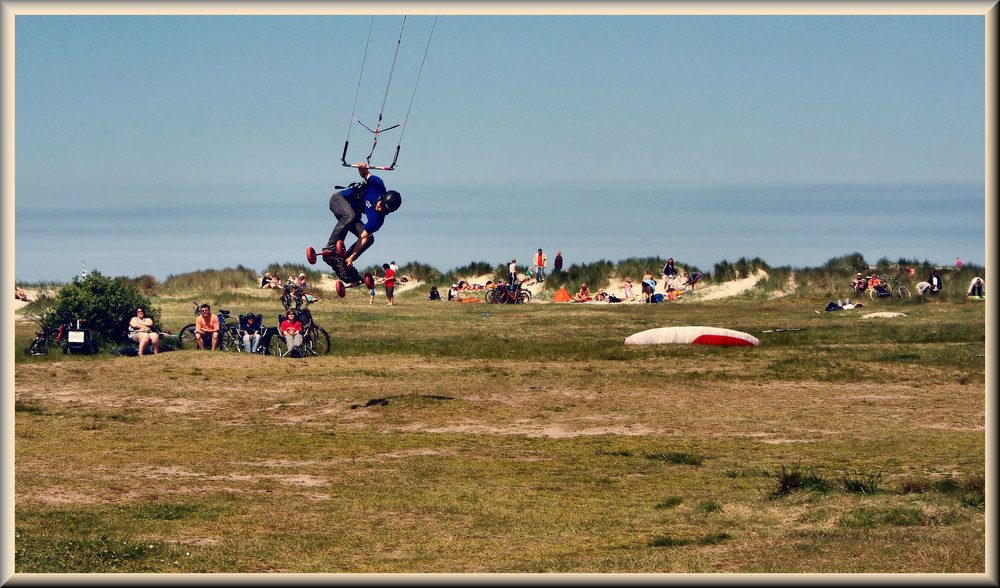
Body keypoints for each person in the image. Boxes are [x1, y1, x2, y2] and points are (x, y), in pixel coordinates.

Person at [323, 162, 402, 271]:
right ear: (381, 197)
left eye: (384, 210)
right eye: (380, 205)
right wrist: (362, 168)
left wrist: (351, 257)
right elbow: (365, 173)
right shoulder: (377, 185)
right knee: (349, 216)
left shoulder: (377, 221)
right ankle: (330, 248)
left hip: (353, 215)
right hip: (339, 200)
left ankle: (343, 262)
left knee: (369, 239)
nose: (379, 209)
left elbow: (363, 238)